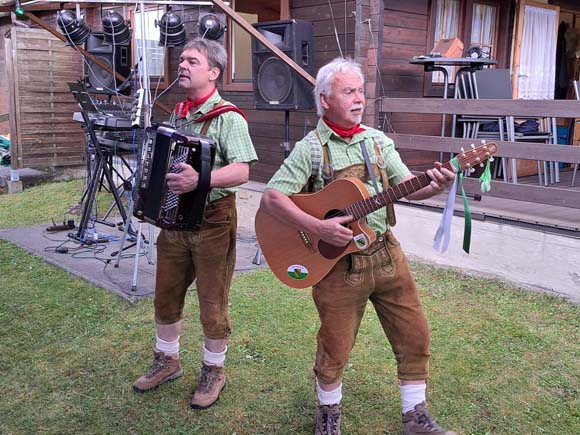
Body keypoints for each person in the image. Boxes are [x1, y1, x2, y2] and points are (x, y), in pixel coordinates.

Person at [259, 57, 456, 435]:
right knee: (335, 346)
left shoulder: (378, 142)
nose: (359, 99)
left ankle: (415, 417)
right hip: (338, 267)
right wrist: (319, 226)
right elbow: (271, 199)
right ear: (325, 98)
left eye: (361, 91)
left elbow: (411, 187)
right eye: (349, 91)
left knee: (414, 333)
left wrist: (438, 184)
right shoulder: (311, 149)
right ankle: (328, 416)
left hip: (385, 255)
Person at [133, 37, 258, 411]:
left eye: (191, 61)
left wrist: (200, 180)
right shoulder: (178, 115)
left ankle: (214, 369)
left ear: (213, 72)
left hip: (213, 222)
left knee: (211, 302)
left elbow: (242, 170)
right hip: (173, 220)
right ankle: (167, 360)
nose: (182, 66)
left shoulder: (229, 118)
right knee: (165, 294)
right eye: (182, 60)